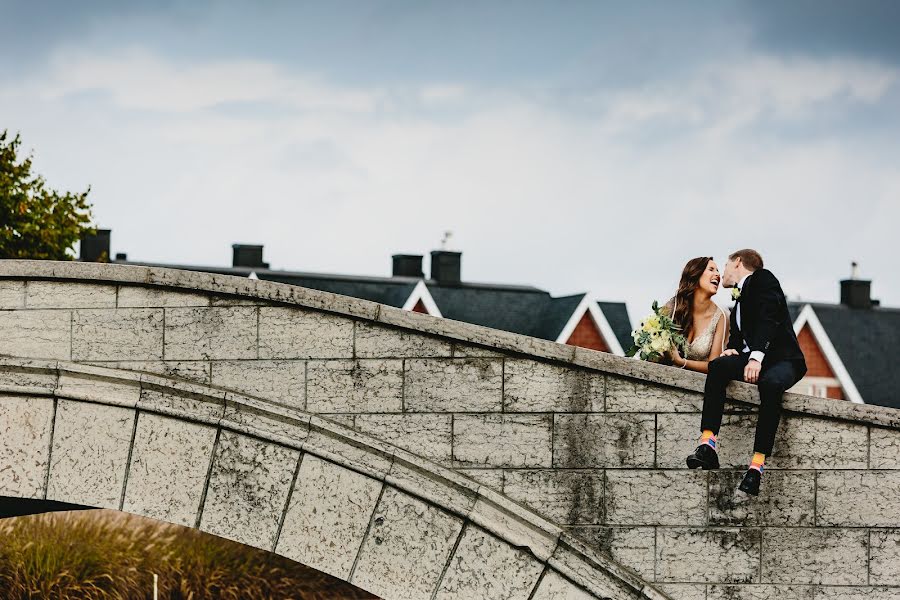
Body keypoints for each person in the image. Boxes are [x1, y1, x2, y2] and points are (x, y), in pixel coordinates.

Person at [685, 249, 807, 496]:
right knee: (718, 367)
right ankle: (707, 445)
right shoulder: (738, 300)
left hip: (782, 360)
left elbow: (768, 318)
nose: (722, 272)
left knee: (770, 385)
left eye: (725, 265)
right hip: (753, 359)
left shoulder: (763, 279)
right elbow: (739, 337)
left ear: (738, 262)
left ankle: (756, 468)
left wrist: (755, 358)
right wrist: (731, 350)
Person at [661, 257, 730, 374]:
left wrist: (681, 362)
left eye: (718, 270)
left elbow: (714, 365)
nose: (718, 274)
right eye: (711, 269)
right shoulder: (673, 307)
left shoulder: (721, 316)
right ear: (695, 274)